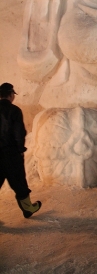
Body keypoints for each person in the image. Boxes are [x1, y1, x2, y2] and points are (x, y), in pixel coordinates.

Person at [0, 83, 41, 218]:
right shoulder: (14, 110)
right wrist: (20, 148)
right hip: (11, 154)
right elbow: (19, 132)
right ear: (11, 95)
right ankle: (28, 208)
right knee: (19, 181)